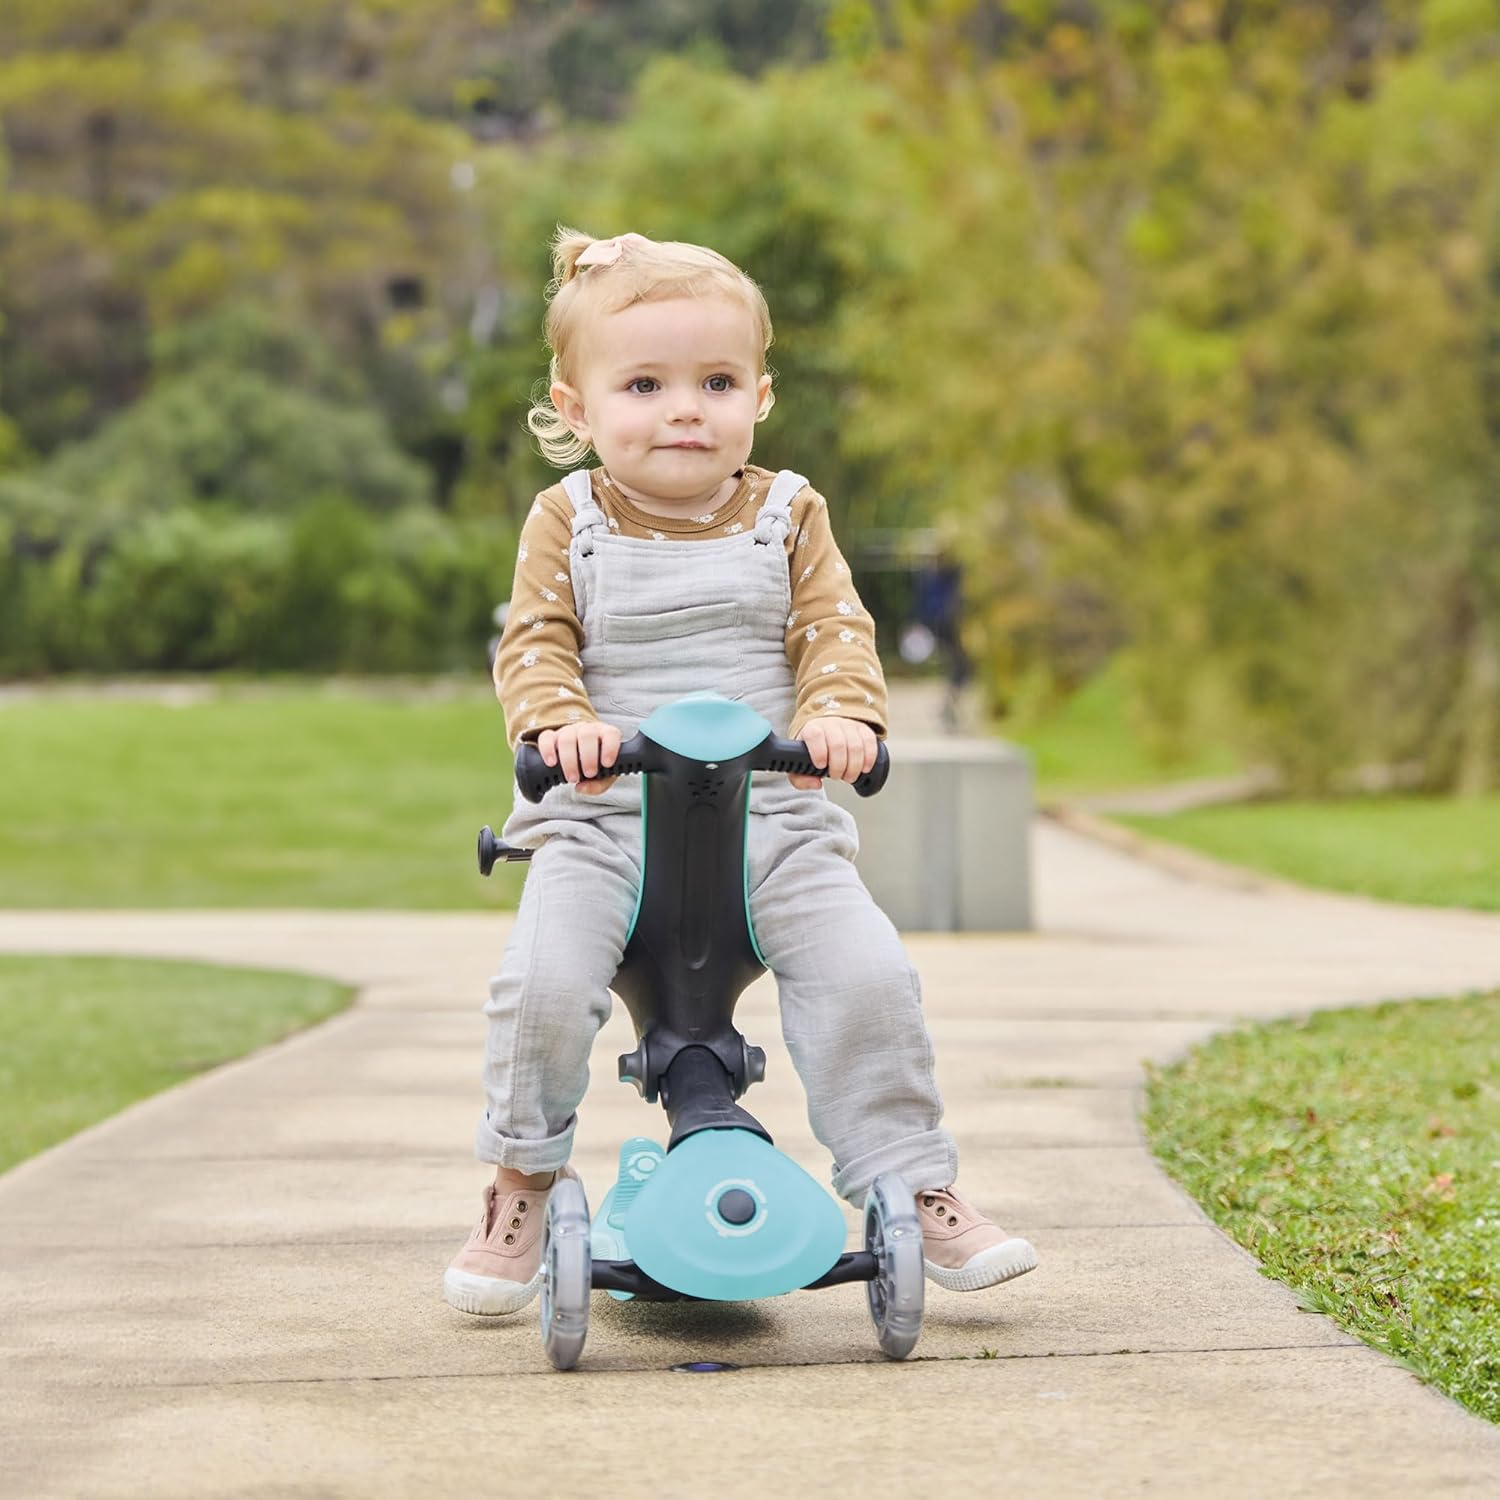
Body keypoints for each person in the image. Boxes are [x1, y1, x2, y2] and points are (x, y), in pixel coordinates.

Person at [445, 228, 1037, 1316]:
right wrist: (561, 722)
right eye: (645, 383)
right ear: (575, 409)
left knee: (869, 980)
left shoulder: (789, 514)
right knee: (538, 986)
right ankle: (522, 1180)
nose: (685, 408)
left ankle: (912, 1184)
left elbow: (834, 633)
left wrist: (840, 718)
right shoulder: (564, 520)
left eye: (716, 382)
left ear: (759, 396)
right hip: (603, 818)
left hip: (776, 820)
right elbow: (532, 644)